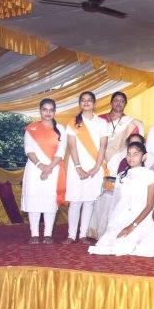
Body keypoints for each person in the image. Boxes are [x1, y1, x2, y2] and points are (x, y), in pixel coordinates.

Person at [89, 142, 154, 255]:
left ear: (144, 157)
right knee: (104, 245)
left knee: (123, 245)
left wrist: (132, 226)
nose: (131, 157)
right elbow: (116, 203)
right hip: (121, 217)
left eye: (135, 154)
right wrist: (114, 222)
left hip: (139, 219)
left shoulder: (150, 176)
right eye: (128, 154)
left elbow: (150, 206)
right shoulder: (121, 176)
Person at [65, 91, 109, 245]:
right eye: (83, 100)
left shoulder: (102, 123)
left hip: (95, 166)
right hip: (76, 166)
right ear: (79, 103)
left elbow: (103, 146)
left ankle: (83, 235)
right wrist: (78, 167)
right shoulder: (73, 122)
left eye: (89, 100)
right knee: (75, 202)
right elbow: (72, 146)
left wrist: (96, 168)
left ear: (94, 103)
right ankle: (71, 235)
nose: (86, 102)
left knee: (89, 201)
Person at [21, 99, 66, 244]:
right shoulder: (31, 128)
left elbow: (61, 152)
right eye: (45, 109)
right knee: (34, 200)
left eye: (51, 110)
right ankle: (34, 234)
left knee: (50, 201)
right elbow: (29, 149)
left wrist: (49, 168)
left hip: (53, 169)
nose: (48, 113)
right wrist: (41, 166)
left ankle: (48, 234)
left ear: (55, 111)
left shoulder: (60, 128)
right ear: (40, 111)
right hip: (34, 170)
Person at [101, 91, 144, 168]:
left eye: (122, 101)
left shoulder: (131, 123)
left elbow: (136, 146)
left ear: (125, 104)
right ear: (111, 102)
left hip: (120, 160)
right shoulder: (100, 119)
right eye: (116, 100)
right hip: (100, 157)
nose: (119, 103)